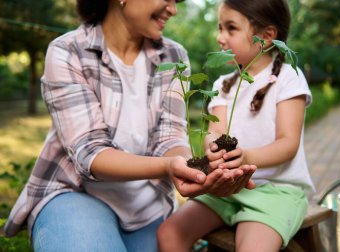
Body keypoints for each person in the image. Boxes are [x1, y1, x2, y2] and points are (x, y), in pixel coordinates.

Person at [4, 0, 255, 251]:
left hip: (147, 208)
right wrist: (168, 166)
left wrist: (193, 168)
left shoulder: (174, 57)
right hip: (75, 194)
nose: (173, 10)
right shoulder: (68, 51)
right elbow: (90, 152)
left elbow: (169, 137)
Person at [157, 0, 315, 251]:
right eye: (219, 28)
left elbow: (288, 144)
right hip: (227, 188)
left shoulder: (287, 78)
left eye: (231, 28)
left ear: (266, 36)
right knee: (169, 233)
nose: (220, 37)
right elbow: (216, 132)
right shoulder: (223, 84)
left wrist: (246, 157)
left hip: (276, 191)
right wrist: (212, 147)